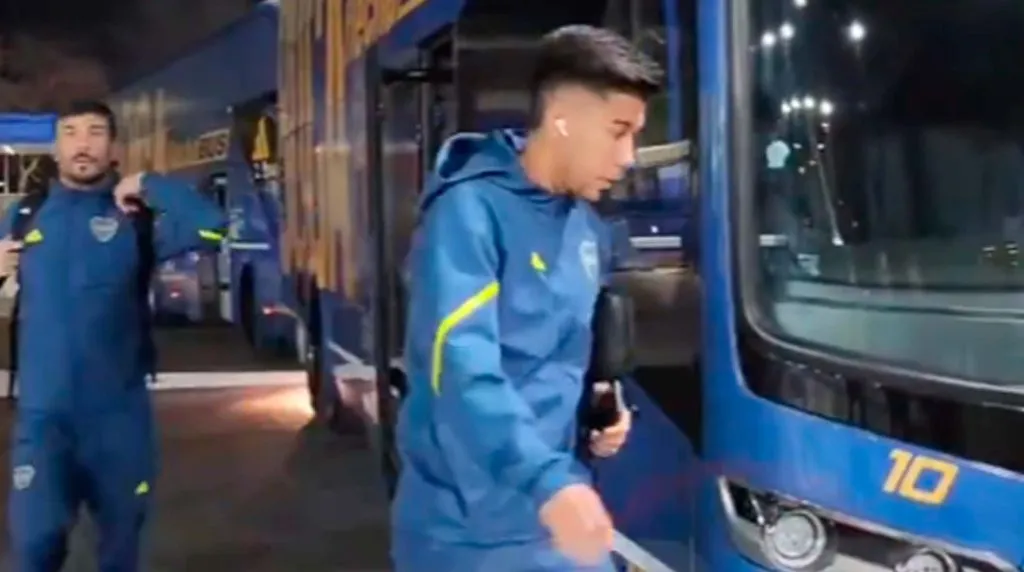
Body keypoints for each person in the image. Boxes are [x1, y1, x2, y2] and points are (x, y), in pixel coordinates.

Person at [392, 25, 662, 571]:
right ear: (562, 118)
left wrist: (601, 407)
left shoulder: (586, 227)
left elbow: (562, 353)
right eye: (618, 131)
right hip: (468, 537)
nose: (630, 156)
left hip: (552, 518)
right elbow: (460, 368)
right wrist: (550, 483)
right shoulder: (468, 213)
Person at [0, 100, 227, 572]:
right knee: (34, 548)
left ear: (113, 146)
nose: (83, 144)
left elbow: (213, 226)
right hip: (45, 422)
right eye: (70, 132)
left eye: (95, 132)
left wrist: (150, 184)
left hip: (119, 422)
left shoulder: (136, 219)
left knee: (119, 554)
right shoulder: (26, 215)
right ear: (56, 146)